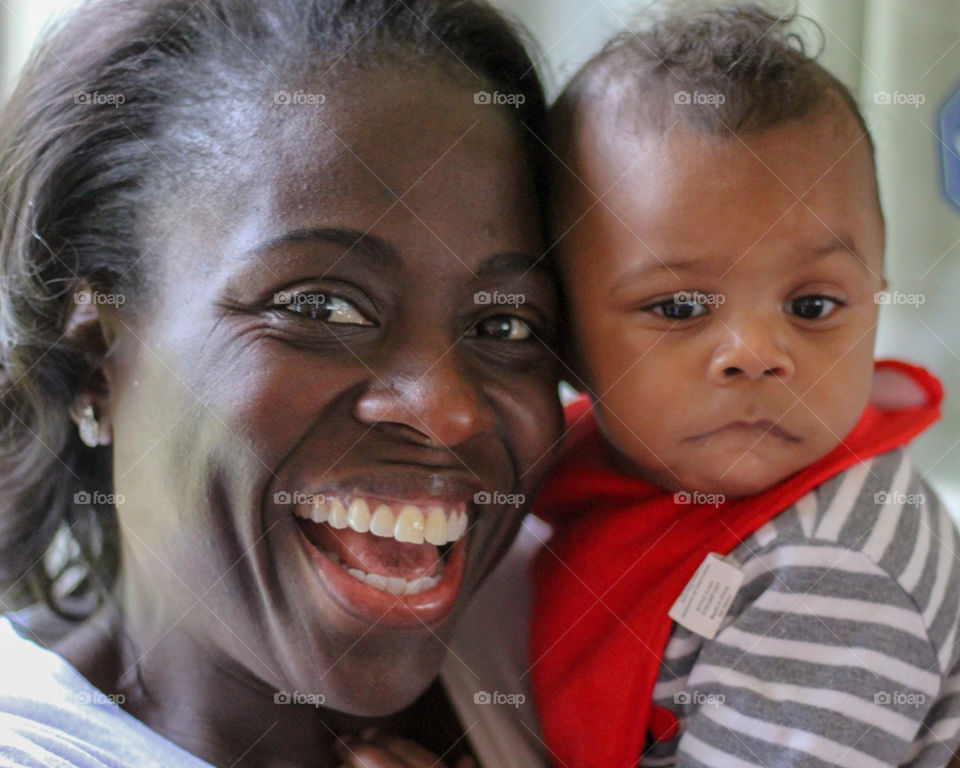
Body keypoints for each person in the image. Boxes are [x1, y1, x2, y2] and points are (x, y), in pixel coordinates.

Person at [0, 0, 565, 765]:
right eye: (322, 305)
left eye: (504, 328)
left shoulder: (593, 633)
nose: (448, 411)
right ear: (98, 356)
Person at [529, 4, 960, 767]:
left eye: (813, 306)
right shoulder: (583, 462)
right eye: (680, 307)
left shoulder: (831, 573)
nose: (759, 355)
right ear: (563, 337)